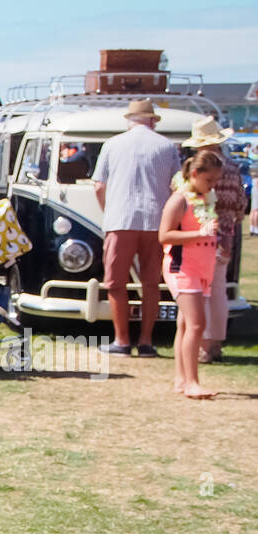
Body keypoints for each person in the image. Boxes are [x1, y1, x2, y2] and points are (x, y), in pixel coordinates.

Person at [93, 99, 179, 357]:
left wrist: (108, 211)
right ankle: (146, 341)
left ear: (130, 120)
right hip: (156, 221)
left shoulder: (112, 144)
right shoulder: (167, 146)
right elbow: (176, 186)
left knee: (115, 283)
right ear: (152, 120)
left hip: (121, 219)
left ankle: (121, 340)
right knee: (151, 283)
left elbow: (99, 185)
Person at [178, 120, 244, 364]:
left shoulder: (193, 174)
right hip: (225, 236)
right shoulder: (234, 170)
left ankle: (202, 345)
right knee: (218, 292)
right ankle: (214, 344)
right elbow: (240, 207)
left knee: (199, 292)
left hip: (200, 238)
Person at [159, 151, 222, 399]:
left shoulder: (205, 199)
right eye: (209, 181)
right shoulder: (179, 200)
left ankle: (181, 379)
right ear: (194, 174)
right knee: (197, 324)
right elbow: (164, 236)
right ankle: (192, 382)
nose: (212, 186)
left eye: (215, 181)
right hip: (181, 267)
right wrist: (201, 234)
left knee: (186, 324)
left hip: (202, 267)